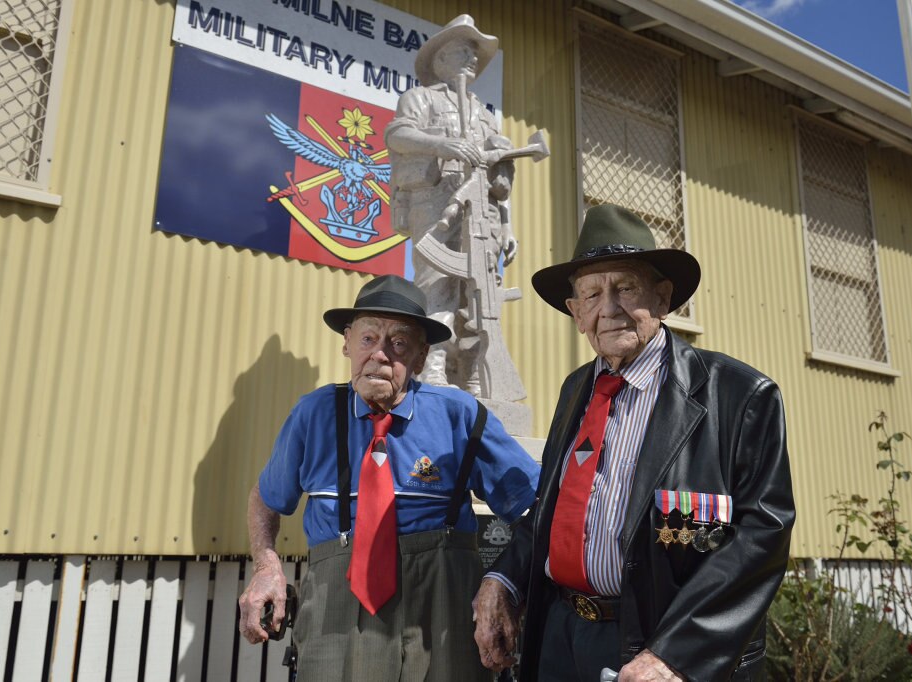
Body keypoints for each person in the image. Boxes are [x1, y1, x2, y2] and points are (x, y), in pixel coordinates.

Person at [472, 205, 795, 681]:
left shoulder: (740, 395)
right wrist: (502, 580)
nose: (609, 307)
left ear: (662, 299)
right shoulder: (576, 389)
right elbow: (552, 508)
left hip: (660, 642)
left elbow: (760, 535)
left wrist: (675, 653)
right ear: (575, 313)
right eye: (592, 293)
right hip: (560, 634)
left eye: (625, 287)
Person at [237, 274, 540, 682]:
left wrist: (503, 583)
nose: (379, 355)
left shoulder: (459, 415)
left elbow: (536, 506)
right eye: (368, 339)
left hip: (444, 611)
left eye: (398, 343)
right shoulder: (313, 415)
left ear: (420, 357)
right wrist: (266, 565)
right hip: (336, 607)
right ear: (347, 342)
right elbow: (266, 498)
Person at [385, 15, 517, 391]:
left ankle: (477, 372)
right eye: (464, 50)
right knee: (436, 284)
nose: (473, 58)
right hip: (436, 202)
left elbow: (500, 173)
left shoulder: (486, 117)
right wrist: (440, 144)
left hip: (483, 211)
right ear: (440, 59)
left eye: (476, 53)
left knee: (479, 294)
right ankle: (434, 365)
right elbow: (398, 134)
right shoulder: (420, 98)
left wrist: (506, 223)